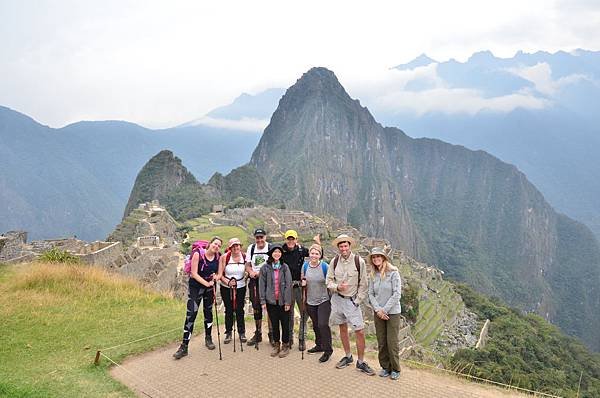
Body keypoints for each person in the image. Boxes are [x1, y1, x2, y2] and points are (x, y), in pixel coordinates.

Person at [326, 234, 375, 375]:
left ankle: (361, 361)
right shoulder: (334, 262)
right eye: (341, 246)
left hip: (352, 301)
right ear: (338, 248)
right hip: (337, 299)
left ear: (349, 246)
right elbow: (328, 281)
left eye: (345, 245)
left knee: (359, 331)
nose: (343, 248)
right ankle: (348, 356)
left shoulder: (359, 261)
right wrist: (337, 287)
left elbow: (364, 284)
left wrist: (357, 300)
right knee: (342, 328)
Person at [173, 236, 222, 359]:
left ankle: (208, 338)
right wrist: (207, 283)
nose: (216, 247)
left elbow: (220, 273)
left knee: (208, 313)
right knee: (191, 315)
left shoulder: (218, 257)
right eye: (215, 244)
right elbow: (194, 274)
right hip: (196, 288)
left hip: (209, 289)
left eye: (219, 245)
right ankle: (184, 346)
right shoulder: (198, 254)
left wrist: (216, 277)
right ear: (210, 244)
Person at [367, 247, 402, 380]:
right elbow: (370, 294)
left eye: (378, 256)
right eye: (374, 257)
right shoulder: (373, 275)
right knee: (381, 341)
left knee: (392, 342)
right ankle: (385, 367)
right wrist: (378, 310)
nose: (376, 259)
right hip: (379, 312)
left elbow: (397, 294)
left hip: (392, 313)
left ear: (383, 258)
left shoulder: (393, 273)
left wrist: (384, 310)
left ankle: (396, 368)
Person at [301, 243, 333, 363]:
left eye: (317, 253)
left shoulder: (325, 267)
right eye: (312, 253)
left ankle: (328, 350)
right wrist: (302, 283)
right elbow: (303, 280)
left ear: (320, 255)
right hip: (310, 300)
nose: (314, 255)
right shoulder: (305, 266)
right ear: (309, 254)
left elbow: (330, 282)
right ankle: (319, 345)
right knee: (315, 324)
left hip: (324, 299)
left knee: (323, 324)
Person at [259, 244, 292, 358]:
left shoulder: (285, 267)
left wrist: (288, 302)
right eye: (275, 252)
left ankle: (286, 345)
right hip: (271, 301)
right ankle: (276, 344)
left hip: (283, 302)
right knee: (274, 324)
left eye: (279, 252)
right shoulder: (265, 268)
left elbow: (288, 285)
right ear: (271, 254)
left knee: (285, 324)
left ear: (281, 254)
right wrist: (263, 301)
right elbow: (261, 285)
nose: (277, 253)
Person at [281, 229, 310, 350]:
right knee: (289, 313)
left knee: (304, 312)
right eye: (289, 239)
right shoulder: (281, 251)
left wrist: (317, 243)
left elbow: (318, 254)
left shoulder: (302, 250)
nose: (291, 241)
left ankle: (302, 338)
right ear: (286, 240)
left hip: (300, 285)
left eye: (293, 239)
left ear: (296, 240)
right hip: (288, 286)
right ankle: (289, 337)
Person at [245, 228, 273, 346]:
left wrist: (261, 273)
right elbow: (247, 264)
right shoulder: (251, 248)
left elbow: (274, 263)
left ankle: (272, 334)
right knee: (256, 307)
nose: (259, 240)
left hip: (268, 281)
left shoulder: (270, 248)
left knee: (270, 307)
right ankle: (258, 332)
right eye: (257, 237)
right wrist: (250, 271)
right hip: (255, 281)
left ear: (265, 237)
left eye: (261, 237)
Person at [218, 237, 247, 344]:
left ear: (240, 246)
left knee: (240, 309)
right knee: (229, 309)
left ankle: (241, 332)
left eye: (237, 245)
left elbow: (248, 269)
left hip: (241, 286)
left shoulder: (245, 257)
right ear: (230, 248)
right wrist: (228, 282)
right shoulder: (224, 258)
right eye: (233, 246)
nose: (236, 248)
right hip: (226, 287)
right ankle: (228, 332)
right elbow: (220, 274)